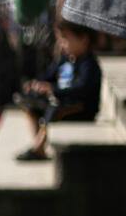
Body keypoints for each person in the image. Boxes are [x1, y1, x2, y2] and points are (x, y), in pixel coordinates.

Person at [13, 17, 103, 161]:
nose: (62, 44)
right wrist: (36, 84)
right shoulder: (65, 60)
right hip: (60, 101)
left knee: (54, 110)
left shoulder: (89, 65)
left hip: (80, 108)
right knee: (29, 103)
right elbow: (49, 76)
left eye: (66, 39)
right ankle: (39, 143)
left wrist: (53, 89)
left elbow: (82, 88)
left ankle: (38, 148)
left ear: (84, 40)